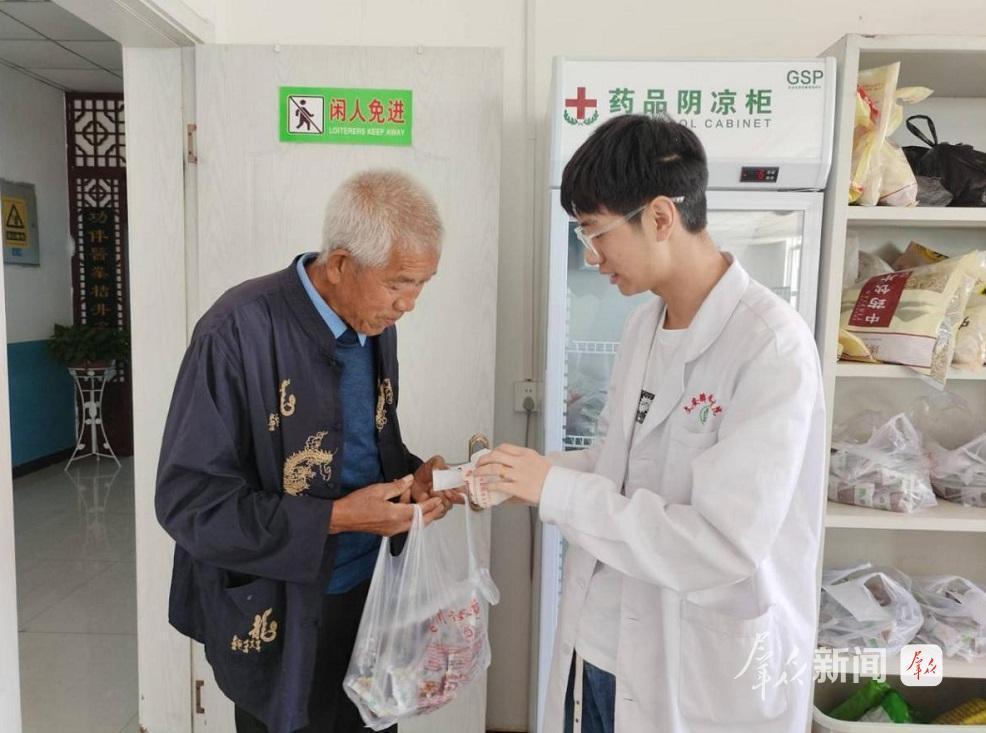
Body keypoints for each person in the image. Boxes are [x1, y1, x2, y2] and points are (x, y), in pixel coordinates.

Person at [476, 115, 827, 733]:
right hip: (602, 644)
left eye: (596, 231)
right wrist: (523, 475)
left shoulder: (770, 346)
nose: (591, 256)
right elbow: (618, 461)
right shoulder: (644, 326)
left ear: (661, 217)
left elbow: (722, 546)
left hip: (694, 671)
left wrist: (553, 489)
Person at [156, 169, 461, 733]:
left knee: (369, 722)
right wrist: (336, 517)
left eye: (423, 284)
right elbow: (189, 503)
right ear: (341, 264)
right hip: (279, 604)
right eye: (399, 283)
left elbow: (364, 444)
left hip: (369, 597)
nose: (409, 304)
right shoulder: (236, 331)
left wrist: (414, 478)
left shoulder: (374, 324)